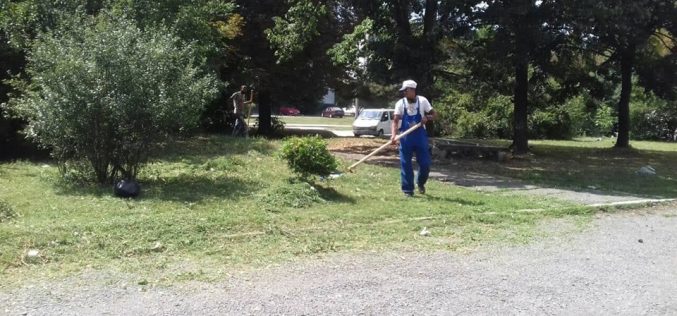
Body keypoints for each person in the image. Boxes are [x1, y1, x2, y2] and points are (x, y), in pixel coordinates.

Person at [390, 80, 436, 197]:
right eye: (403, 91)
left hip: (420, 136)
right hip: (405, 138)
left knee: (425, 164)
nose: (404, 93)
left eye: (406, 90)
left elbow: (435, 115)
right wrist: (393, 135)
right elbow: (395, 120)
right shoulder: (400, 103)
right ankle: (408, 190)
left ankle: (420, 183)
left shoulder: (423, 101)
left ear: (413, 90)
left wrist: (427, 117)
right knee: (406, 164)